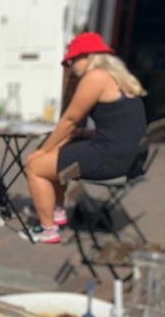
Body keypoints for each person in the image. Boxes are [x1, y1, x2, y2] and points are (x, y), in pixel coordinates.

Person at [22, 32, 147, 244]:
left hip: (111, 158)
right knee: (63, 146)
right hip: (129, 156)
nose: (71, 66)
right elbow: (119, 123)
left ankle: (47, 229)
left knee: (34, 165)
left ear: (87, 56)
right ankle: (58, 210)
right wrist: (74, 137)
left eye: (72, 60)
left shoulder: (96, 76)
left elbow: (70, 119)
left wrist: (43, 150)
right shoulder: (118, 77)